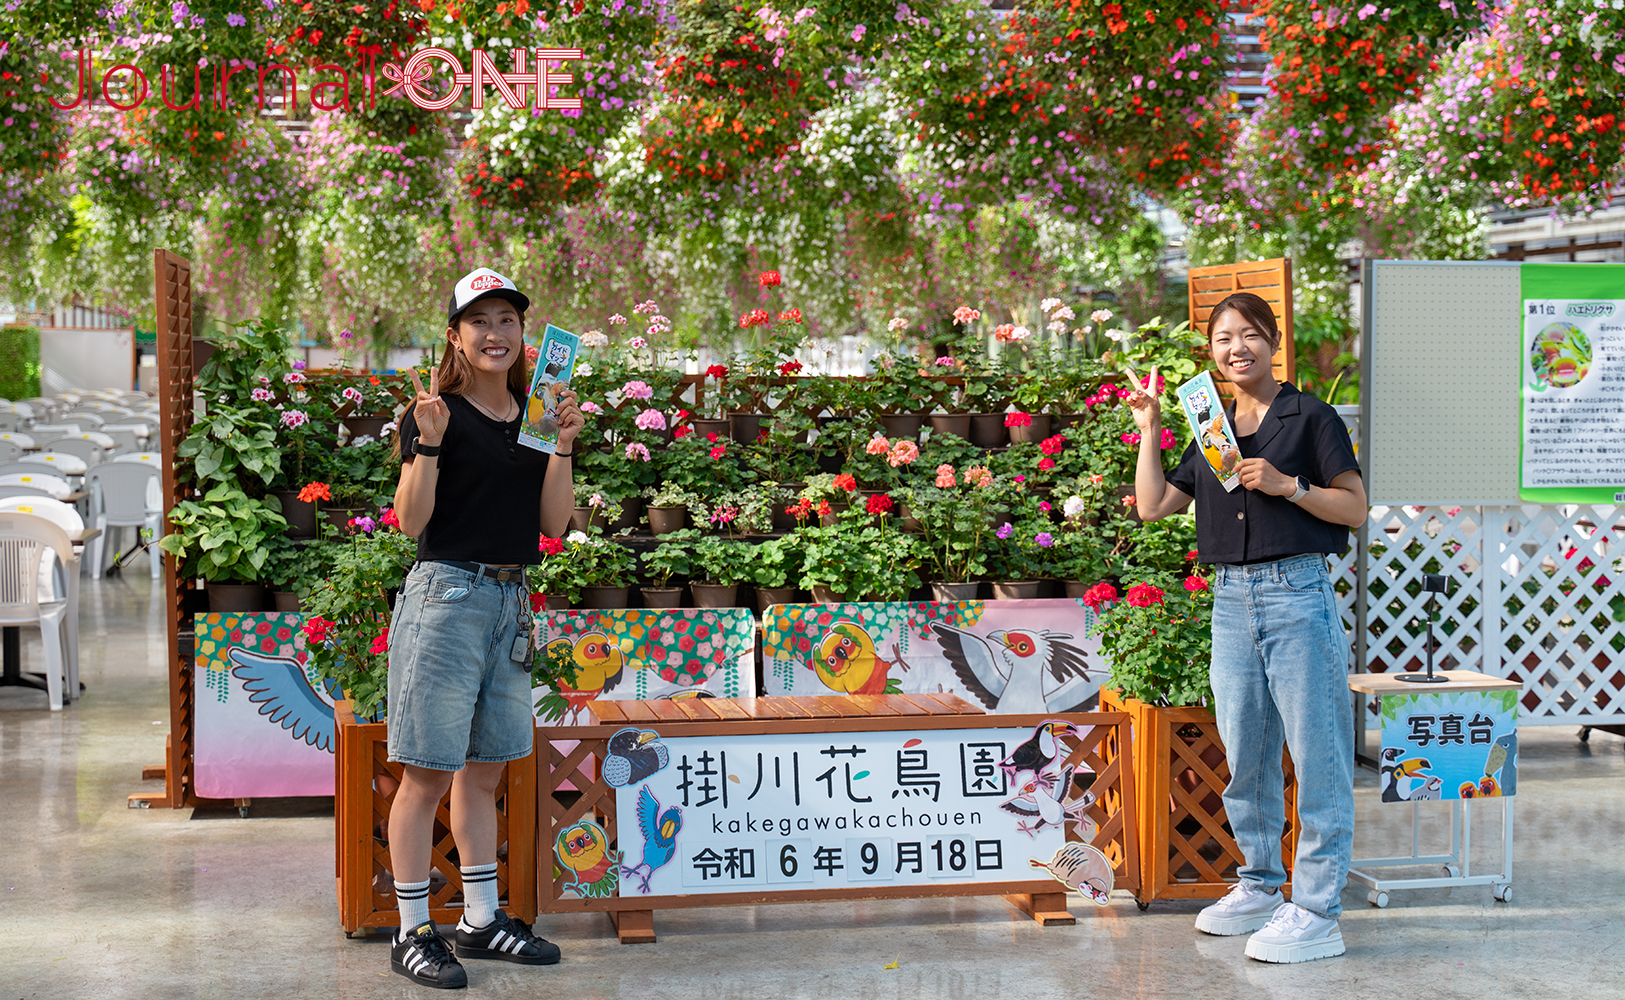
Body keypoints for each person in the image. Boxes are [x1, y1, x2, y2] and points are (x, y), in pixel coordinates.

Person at [1127, 291, 1367, 965]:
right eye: (1222, 340)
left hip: (1297, 593)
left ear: (1272, 341)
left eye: (1248, 336)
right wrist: (1149, 428)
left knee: (1317, 754)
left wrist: (1288, 487)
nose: (1236, 349)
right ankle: (1260, 885)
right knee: (1245, 752)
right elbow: (1151, 506)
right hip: (1231, 599)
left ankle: (1317, 908)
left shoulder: (1308, 417)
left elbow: (1353, 508)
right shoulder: (1209, 424)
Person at [386, 267, 584, 989]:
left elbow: (552, 523)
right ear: (455, 337)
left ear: (523, 334)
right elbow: (411, 522)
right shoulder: (434, 414)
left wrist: (561, 446)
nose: (496, 334)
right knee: (428, 773)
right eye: (480, 322)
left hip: (511, 602)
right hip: (446, 598)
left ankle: (478, 919)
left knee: (485, 771)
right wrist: (429, 444)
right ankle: (413, 930)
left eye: (507, 320)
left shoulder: (535, 417)